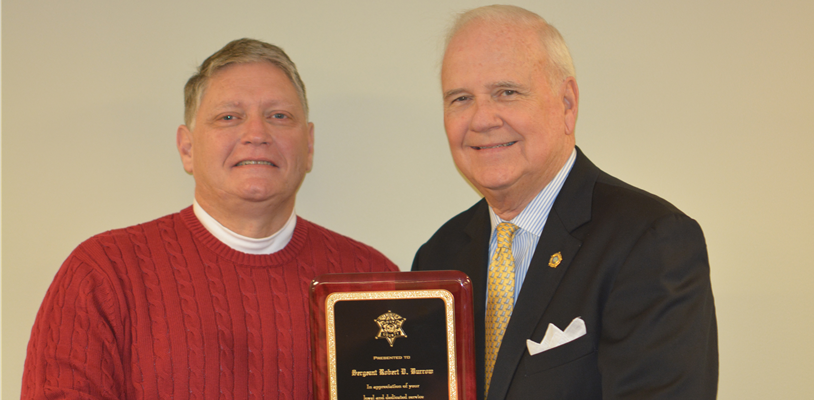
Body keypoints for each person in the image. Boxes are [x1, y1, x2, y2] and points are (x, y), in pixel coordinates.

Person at [22, 38, 398, 400]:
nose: (256, 134)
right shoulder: (104, 273)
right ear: (187, 148)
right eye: (229, 117)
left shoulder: (372, 279)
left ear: (309, 145)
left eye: (279, 116)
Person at [412, 6, 718, 400]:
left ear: (567, 103)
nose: (482, 119)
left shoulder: (650, 241)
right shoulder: (437, 258)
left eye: (507, 92)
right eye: (460, 98)